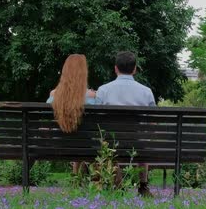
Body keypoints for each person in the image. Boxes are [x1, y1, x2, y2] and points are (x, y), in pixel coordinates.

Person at [96, 51, 156, 197]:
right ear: (135, 69)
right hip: (137, 143)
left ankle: (117, 184)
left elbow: (97, 119)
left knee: (108, 140)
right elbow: (153, 122)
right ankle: (143, 186)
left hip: (112, 144)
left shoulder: (103, 90)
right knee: (142, 140)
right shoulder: (146, 92)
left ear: (116, 69)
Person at [46, 54, 96, 175]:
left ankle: (76, 175)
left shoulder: (53, 95)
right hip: (87, 145)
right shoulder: (93, 96)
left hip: (60, 144)